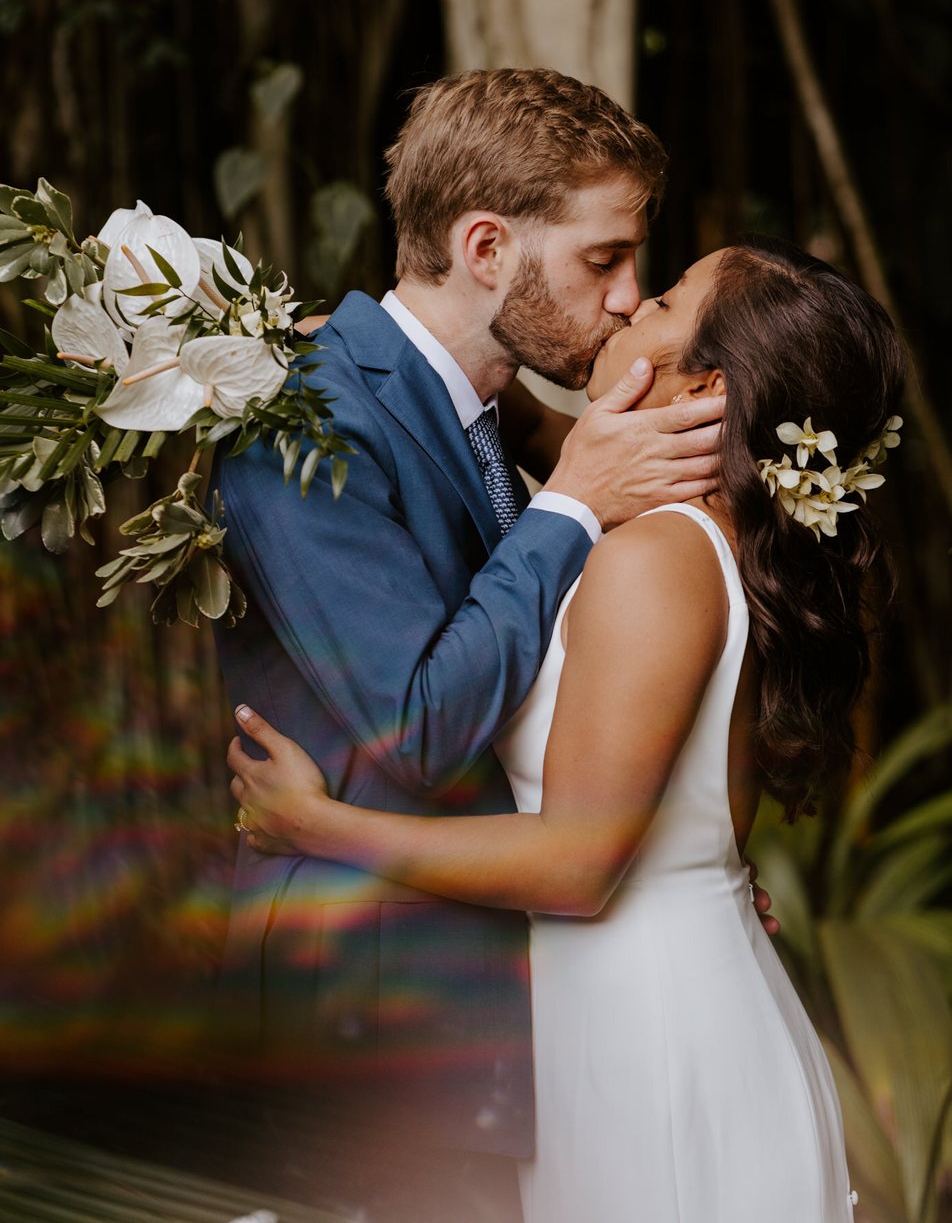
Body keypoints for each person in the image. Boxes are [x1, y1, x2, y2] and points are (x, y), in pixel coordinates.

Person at [228, 235, 905, 1223]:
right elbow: (526, 426)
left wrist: (316, 827)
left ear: (707, 385)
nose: (629, 308)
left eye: (664, 300)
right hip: (639, 1006)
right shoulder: (707, 531)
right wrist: (389, 345)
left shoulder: (653, 562)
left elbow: (577, 867)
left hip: (647, 1037)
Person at [213, 68, 726, 1216]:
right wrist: (573, 503)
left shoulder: (474, 407)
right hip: (377, 1002)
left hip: (481, 995)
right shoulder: (303, 423)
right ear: (485, 246)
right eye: (603, 259)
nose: (624, 295)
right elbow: (419, 726)